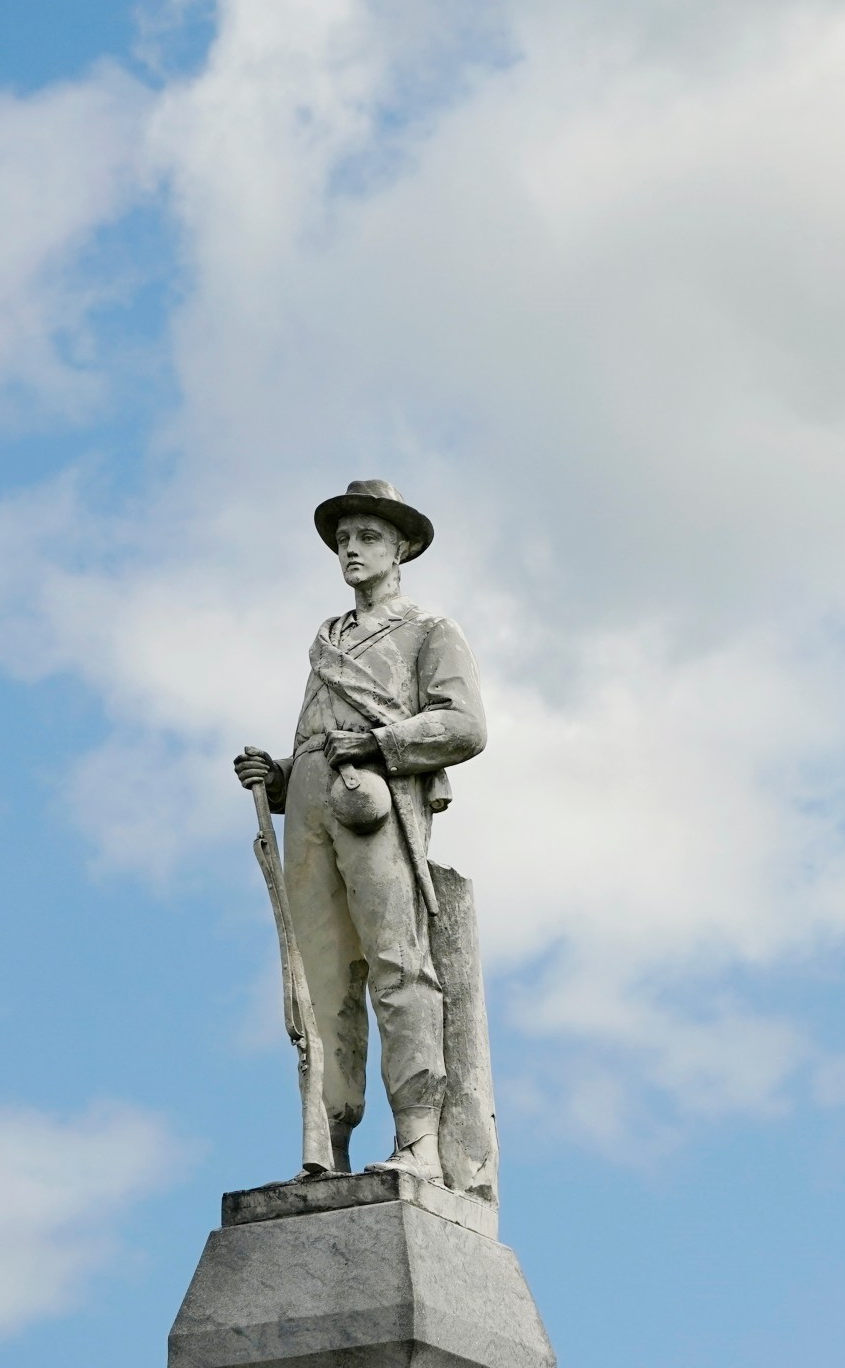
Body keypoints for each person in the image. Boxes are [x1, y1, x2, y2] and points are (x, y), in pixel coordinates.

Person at [233, 480, 486, 1182]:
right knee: (317, 985)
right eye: (343, 539)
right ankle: (328, 1148)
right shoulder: (327, 639)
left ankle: (420, 1143)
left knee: (398, 967)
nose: (351, 549)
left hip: (376, 804)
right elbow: (319, 734)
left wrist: (383, 744)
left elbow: (465, 726)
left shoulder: (429, 631)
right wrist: (280, 776)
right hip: (315, 805)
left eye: (367, 537)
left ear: (400, 547)